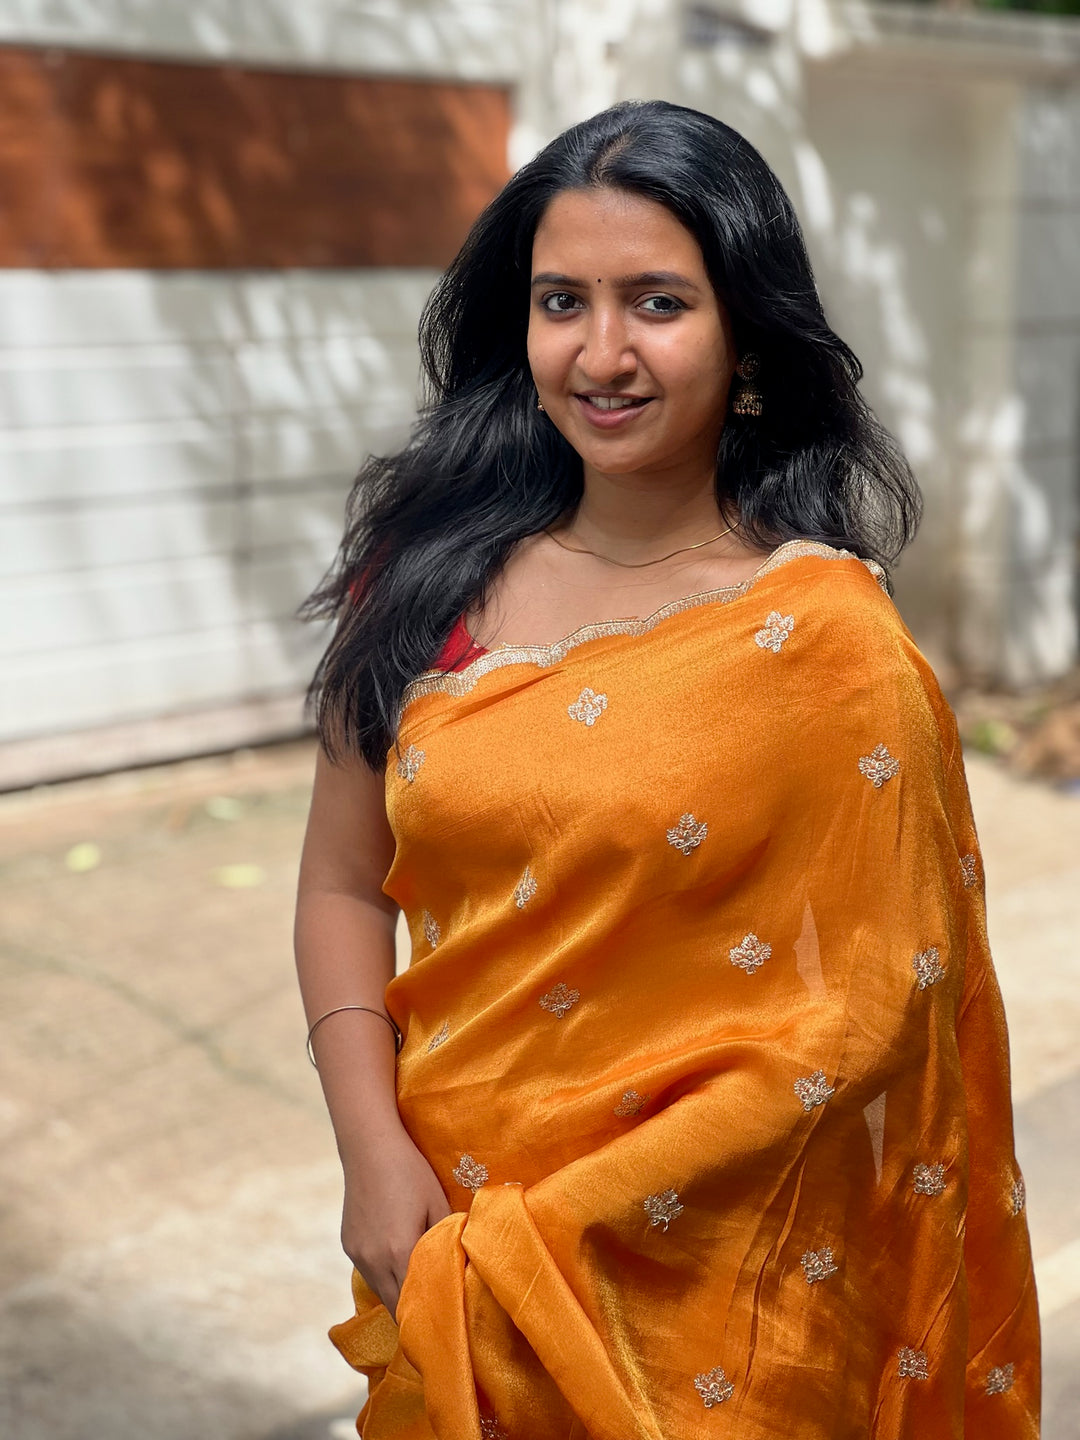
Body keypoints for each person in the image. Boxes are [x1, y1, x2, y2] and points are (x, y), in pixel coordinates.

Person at [293, 100, 1039, 1439]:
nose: (602, 353)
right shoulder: (424, 584)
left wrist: (629, 1192)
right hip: (456, 1236)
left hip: (725, 1286)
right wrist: (370, 1152)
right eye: (561, 302)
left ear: (746, 335)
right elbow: (345, 886)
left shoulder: (822, 640)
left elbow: (875, 1015)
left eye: (657, 302)